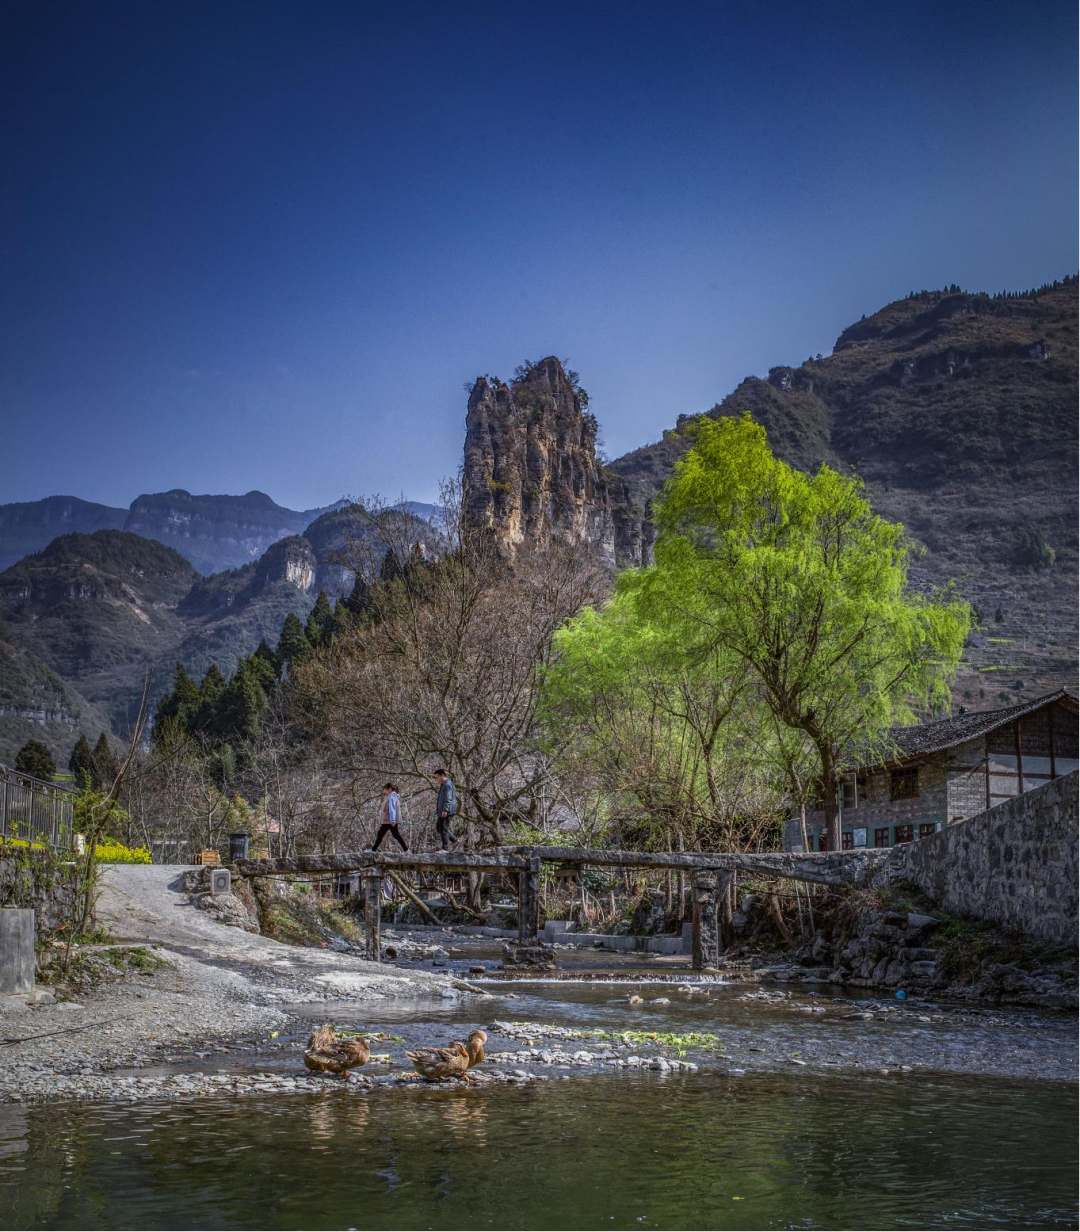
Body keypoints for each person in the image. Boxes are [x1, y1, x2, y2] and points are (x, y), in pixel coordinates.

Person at [372, 783, 409, 851]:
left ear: (390, 789)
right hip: (389, 820)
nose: (384, 791)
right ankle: (406, 850)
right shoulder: (391, 797)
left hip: (389, 821)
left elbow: (392, 809)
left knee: (380, 834)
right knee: (396, 835)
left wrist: (392, 820)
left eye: (385, 790)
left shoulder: (391, 797)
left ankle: (373, 850)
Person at [433, 768, 458, 850]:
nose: (436, 780)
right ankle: (454, 840)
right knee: (439, 828)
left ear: (442, 776)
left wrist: (445, 810)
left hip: (447, 811)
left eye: (437, 777)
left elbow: (448, 799)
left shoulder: (448, 785)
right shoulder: (444, 784)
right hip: (443, 811)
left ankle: (445, 849)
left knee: (443, 828)